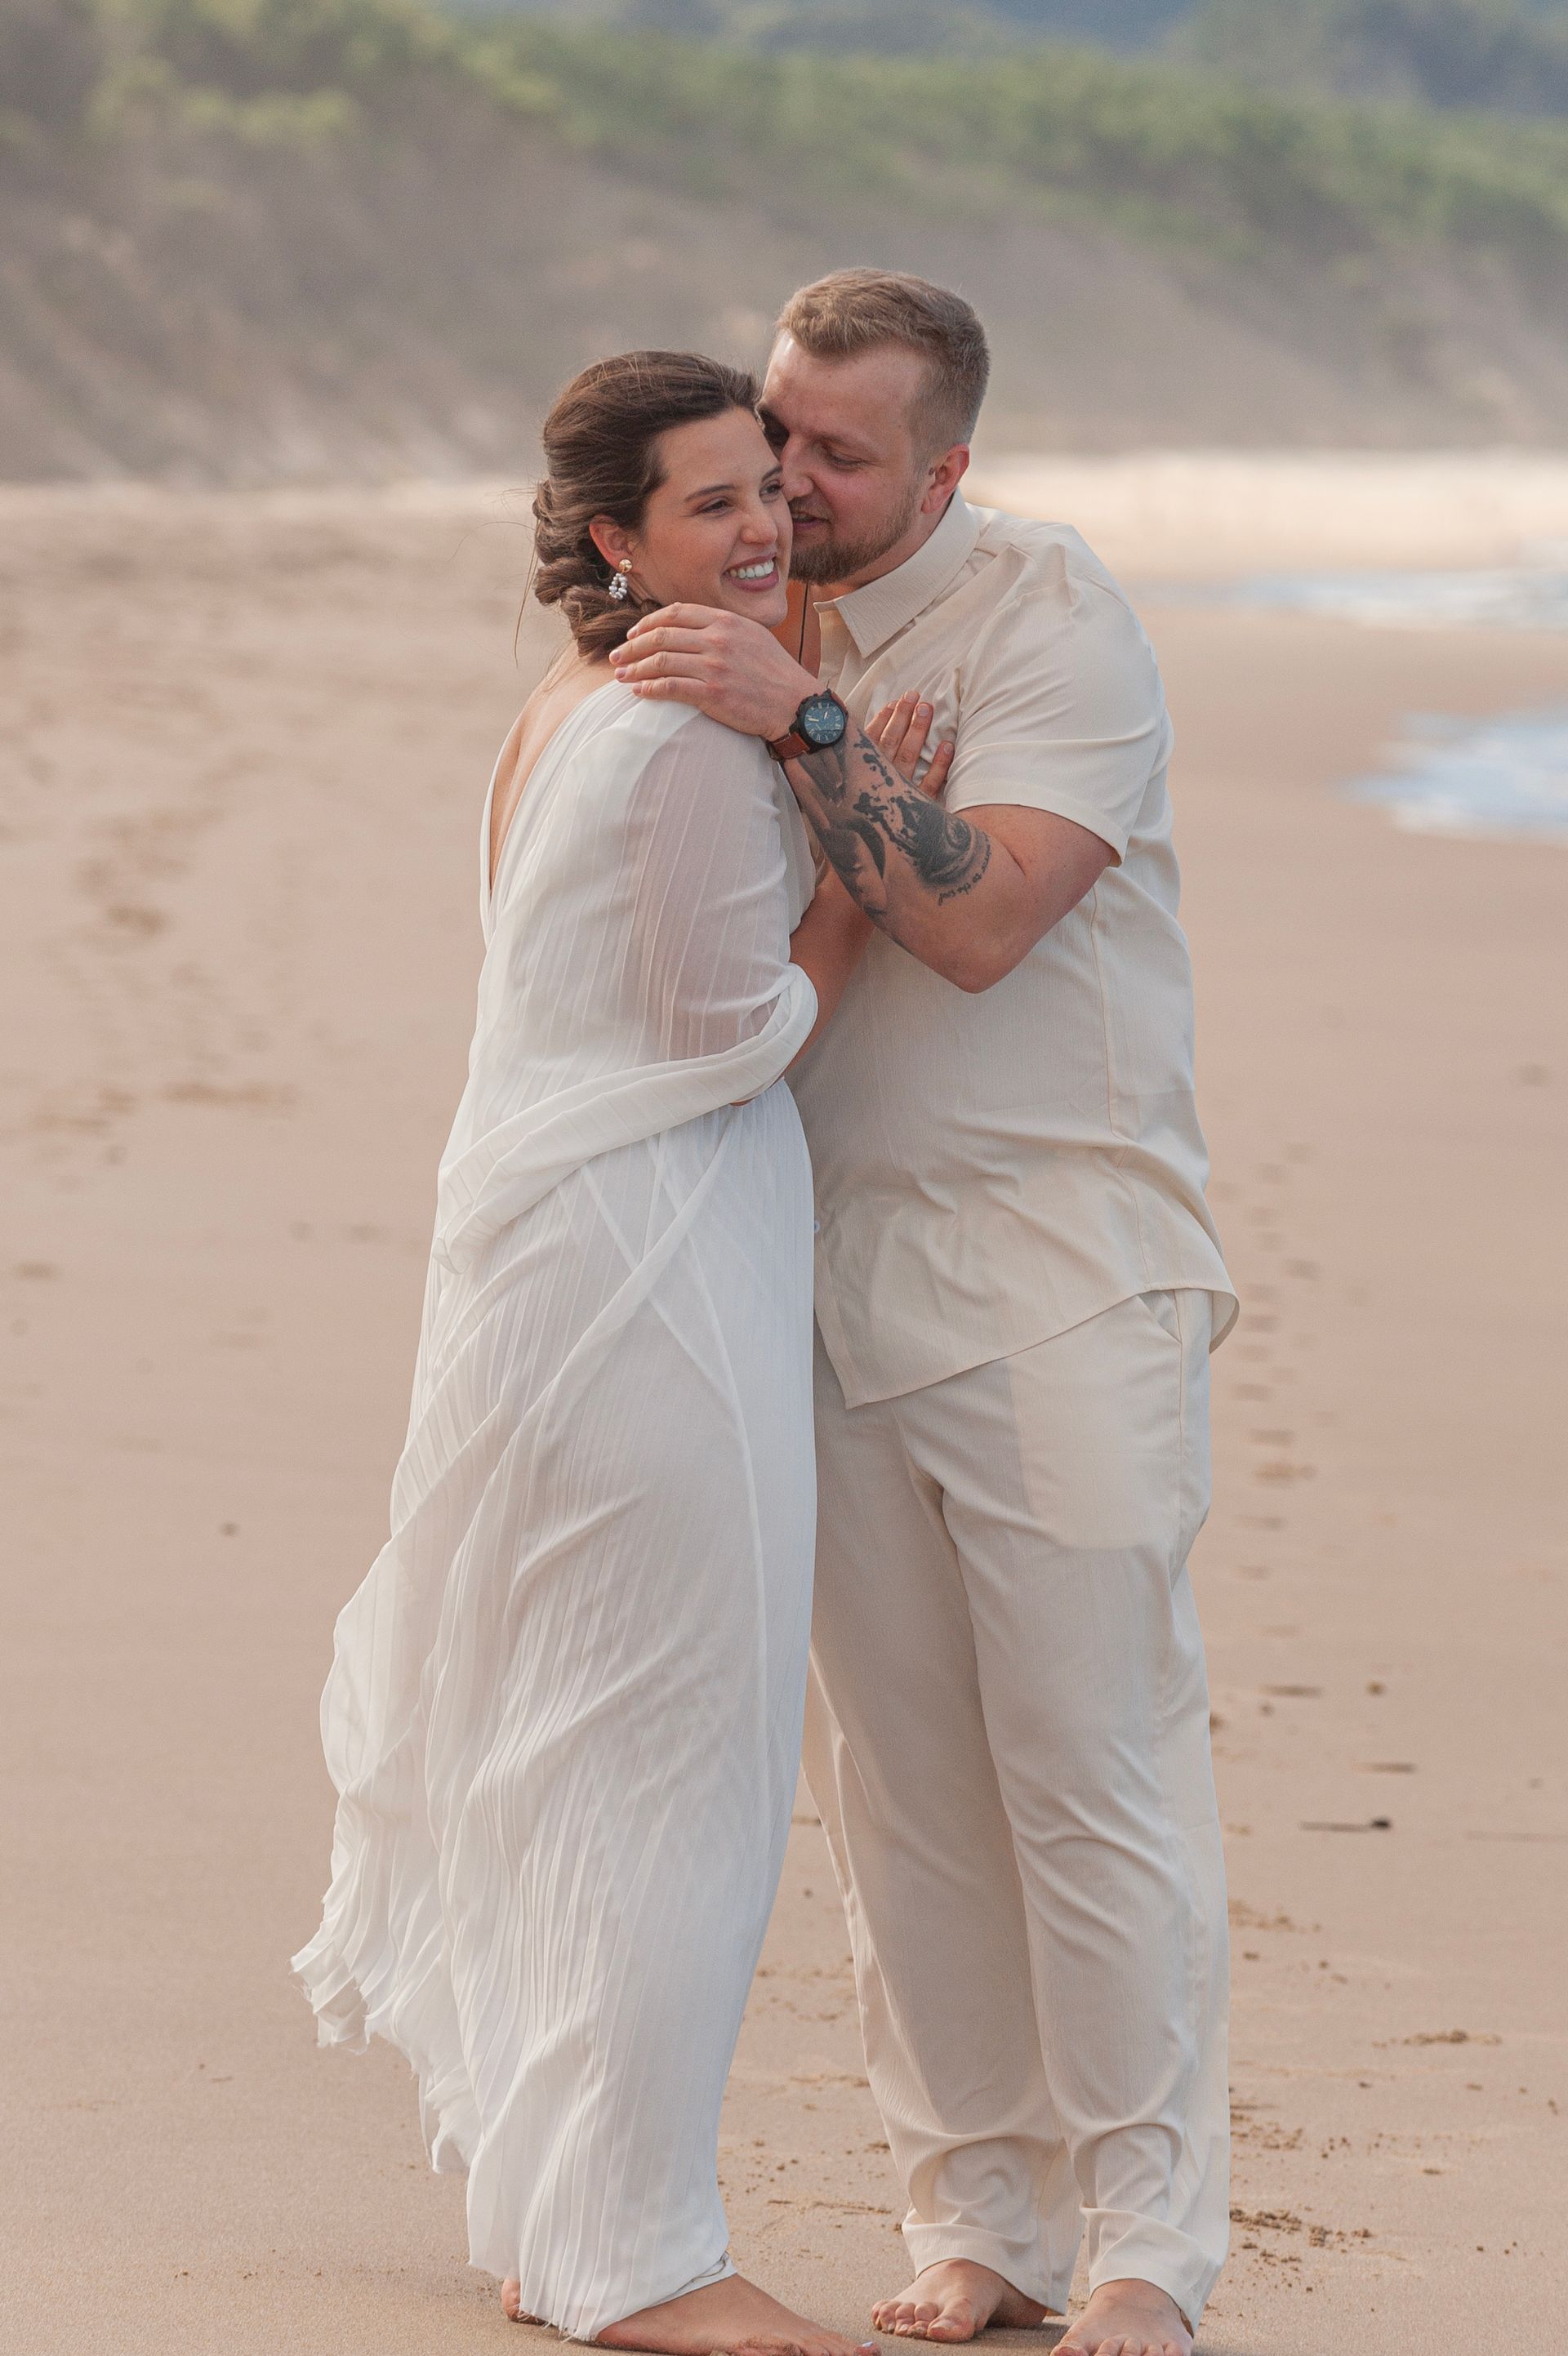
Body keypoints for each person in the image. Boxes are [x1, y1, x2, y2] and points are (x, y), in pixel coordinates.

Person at [609, 270, 1240, 2356]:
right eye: (776, 435)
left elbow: (971, 920)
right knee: (901, 1800)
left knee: (1091, 1765)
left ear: (947, 466)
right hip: (818, 1281)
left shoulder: (1052, 618)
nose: (788, 480)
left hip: (1067, 1271)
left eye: (839, 452)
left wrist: (802, 728)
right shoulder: (735, 618)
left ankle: (1150, 2252)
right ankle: (980, 2228)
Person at [292, 349, 942, 2356]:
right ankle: (639, 2257)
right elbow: (720, 1033)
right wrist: (858, 858)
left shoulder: (568, 704)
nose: (763, 526)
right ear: (613, 538)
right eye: (713, 503)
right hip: (650, 1282)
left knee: (578, 1737)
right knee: (673, 1755)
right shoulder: (672, 740)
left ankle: (558, 2214)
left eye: (771, 485)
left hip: (568, 1277)